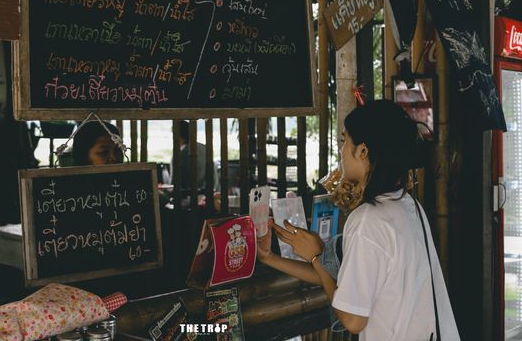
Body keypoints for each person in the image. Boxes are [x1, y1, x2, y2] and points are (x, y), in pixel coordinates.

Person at [257, 100, 460, 340]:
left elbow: (353, 320)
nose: (341, 150)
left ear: (363, 151)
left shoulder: (368, 220)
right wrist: (269, 257)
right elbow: (343, 280)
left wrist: (315, 257)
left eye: (345, 140)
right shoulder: (408, 205)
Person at [169, 120, 219, 191]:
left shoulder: (179, 154)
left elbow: (174, 184)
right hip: (209, 194)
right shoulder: (205, 148)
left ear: (177, 136)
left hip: (187, 197)